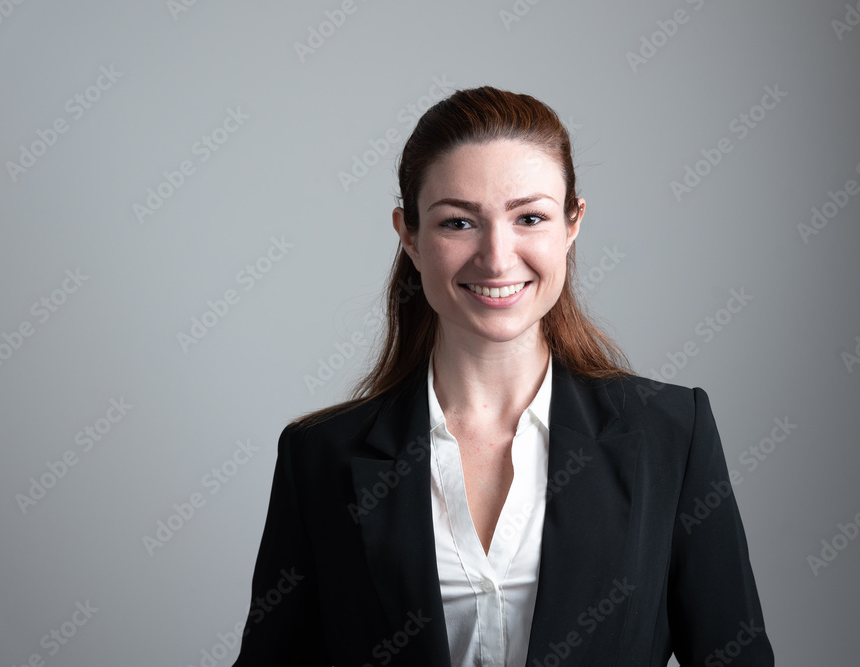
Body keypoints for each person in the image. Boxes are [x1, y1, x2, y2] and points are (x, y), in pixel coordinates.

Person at [231, 86, 774, 666]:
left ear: (572, 223)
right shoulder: (319, 457)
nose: (496, 257)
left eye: (530, 218)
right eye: (458, 222)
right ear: (409, 236)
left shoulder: (673, 434)